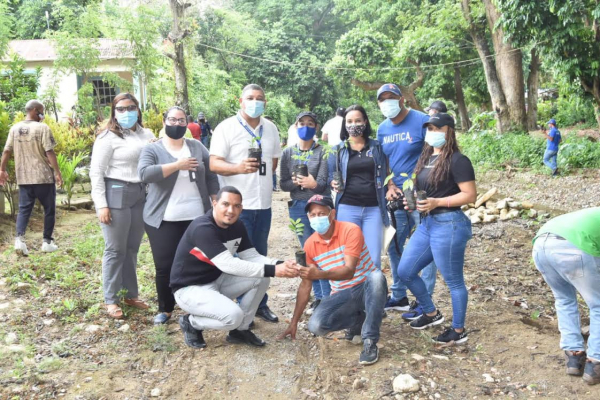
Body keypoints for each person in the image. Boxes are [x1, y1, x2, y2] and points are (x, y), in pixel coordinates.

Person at [170, 186, 299, 348]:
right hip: (189, 289)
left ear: (241, 208)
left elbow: (251, 257)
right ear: (214, 203)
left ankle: (240, 330)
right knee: (233, 316)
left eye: (237, 206)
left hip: (217, 280)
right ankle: (191, 322)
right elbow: (228, 264)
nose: (231, 210)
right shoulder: (202, 228)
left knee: (261, 277)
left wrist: (281, 264)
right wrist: (274, 270)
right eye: (226, 204)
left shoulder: (237, 226)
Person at [278, 195, 387, 365]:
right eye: (312, 215)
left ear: (332, 214)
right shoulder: (309, 245)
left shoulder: (350, 230)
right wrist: (294, 323)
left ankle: (370, 341)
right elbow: (305, 286)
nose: (316, 218)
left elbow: (349, 271)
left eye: (321, 213)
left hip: (365, 287)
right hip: (343, 294)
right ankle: (360, 318)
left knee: (377, 277)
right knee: (316, 326)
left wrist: (320, 274)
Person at [397, 112, 476, 344]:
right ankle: (431, 312)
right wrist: (410, 200)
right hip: (427, 222)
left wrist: (437, 202)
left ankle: (459, 330)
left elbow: (470, 195)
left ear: (449, 131)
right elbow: (424, 188)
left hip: (449, 223)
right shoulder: (427, 157)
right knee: (405, 271)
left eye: (437, 128)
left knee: (453, 281)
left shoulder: (458, 160)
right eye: (429, 128)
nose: (432, 132)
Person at [138, 106, 220, 325]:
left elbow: (211, 174)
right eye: (172, 120)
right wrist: (177, 165)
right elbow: (145, 174)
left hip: (196, 217)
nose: (177, 124)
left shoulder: (196, 146)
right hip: (163, 219)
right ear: (164, 121)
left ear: (187, 123)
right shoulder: (153, 149)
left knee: (196, 263)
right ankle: (165, 308)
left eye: (181, 121)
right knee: (164, 266)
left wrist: (215, 197)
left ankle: (195, 306)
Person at [209, 83, 283, 323]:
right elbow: (214, 164)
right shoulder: (226, 128)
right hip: (236, 208)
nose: (255, 102)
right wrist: (238, 168)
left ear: (265, 102)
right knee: (237, 260)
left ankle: (259, 304)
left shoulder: (270, 128)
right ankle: (236, 308)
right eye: (250, 98)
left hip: (263, 205)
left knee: (260, 254)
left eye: (259, 98)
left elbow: (273, 163)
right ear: (240, 101)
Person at [89, 93, 154, 319]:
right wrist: (101, 205)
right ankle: (111, 299)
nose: (127, 113)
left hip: (140, 193)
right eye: (121, 109)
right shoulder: (107, 137)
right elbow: (96, 172)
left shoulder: (147, 134)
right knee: (115, 249)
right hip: (115, 192)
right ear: (114, 112)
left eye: (131, 107)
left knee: (132, 248)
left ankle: (130, 294)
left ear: (138, 109)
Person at [376, 83, 438, 318]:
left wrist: (415, 179)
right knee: (395, 245)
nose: (387, 102)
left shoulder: (421, 120)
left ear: (402, 99)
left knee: (426, 247)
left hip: (422, 195)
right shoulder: (382, 129)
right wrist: (390, 185)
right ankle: (399, 295)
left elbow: (432, 152)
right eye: (382, 99)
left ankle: (425, 300)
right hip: (396, 197)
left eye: (391, 97)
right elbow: (384, 161)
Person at [532, 207, 600, 385]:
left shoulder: (592, 213)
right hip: (572, 247)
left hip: (541, 245)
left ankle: (574, 357)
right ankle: (595, 363)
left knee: (564, 299)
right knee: (598, 305)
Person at [280, 111, 331, 312]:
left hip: (319, 207)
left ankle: (327, 297)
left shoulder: (323, 151)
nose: (306, 126)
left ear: (316, 127)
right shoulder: (288, 153)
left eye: (310, 123)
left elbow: (325, 183)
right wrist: (293, 183)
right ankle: (319, 297)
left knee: (323, 252)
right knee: (308, 252)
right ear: (295, 126)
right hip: (298, 208)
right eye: (302, 123)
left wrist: (314, 184)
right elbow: (282, 183)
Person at [328, 105, 390, 270]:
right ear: (344, 124)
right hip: (348, 207)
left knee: (373, 259)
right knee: (349, 258)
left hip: (374, 208)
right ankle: (352, 294)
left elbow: (386, 172)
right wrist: (332, 182)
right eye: (349, 121)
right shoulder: (338, 150)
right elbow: (330, 175)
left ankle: (373, 294)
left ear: (365, 122)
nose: (353, 125)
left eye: (357, 120)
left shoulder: (376, 148)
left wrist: (390, 186)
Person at [0, 99, 63, 255]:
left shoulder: (14, 129)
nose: (43, 114)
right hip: (43, 177)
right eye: (42, 111)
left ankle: (19, 241)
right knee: (49, 209)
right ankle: (47, 242)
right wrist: (57, 172)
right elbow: (49, 152)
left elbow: (7, 151)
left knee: (23, 210)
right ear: (35, 110)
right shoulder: (43, 128)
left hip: (24, 177)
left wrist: (2, 169)